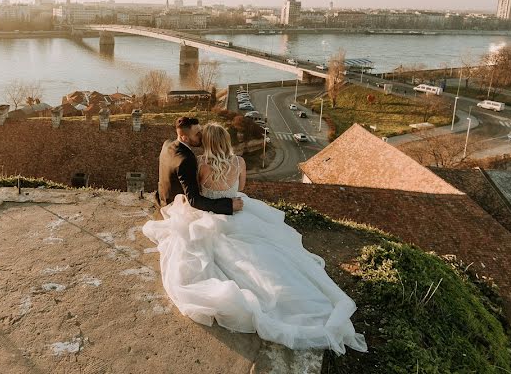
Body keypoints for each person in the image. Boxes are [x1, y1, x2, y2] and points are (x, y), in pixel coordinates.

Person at [142, 122, 367, 355]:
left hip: (212, 216)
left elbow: (197, 197)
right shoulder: (239, 162)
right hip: (240, 212)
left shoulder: (201, 165)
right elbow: (240, 188)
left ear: (207, 142)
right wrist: (229, 199)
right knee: (270, 255)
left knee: (221, 257)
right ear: (226, 141)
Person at [154, 117, 243, 218]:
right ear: (184, 138)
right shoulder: (187, 160)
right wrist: (228, 205)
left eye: (200, 131)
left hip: (163, 199)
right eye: (197, 134)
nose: (202, 136)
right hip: (174, 209)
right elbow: (194, 200)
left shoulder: (168, 143)